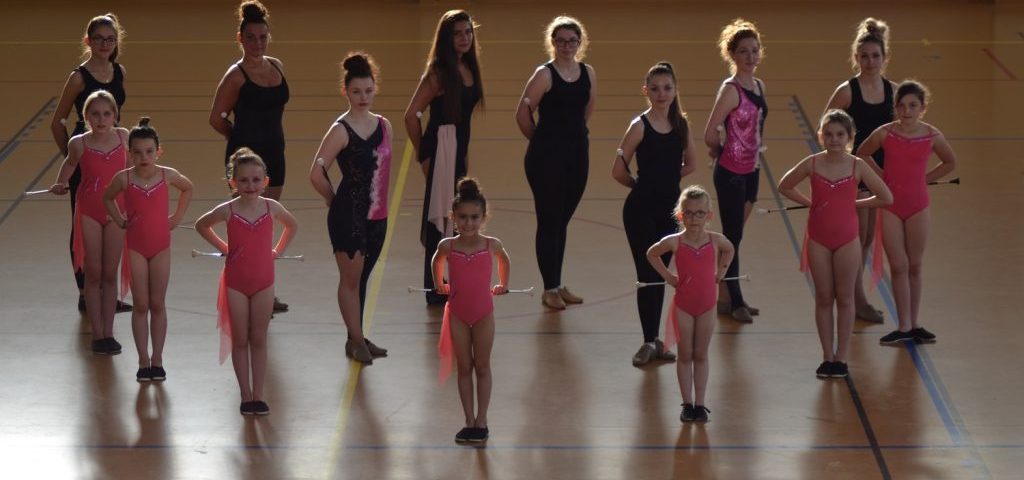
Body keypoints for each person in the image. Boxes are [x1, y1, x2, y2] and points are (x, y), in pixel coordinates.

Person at [777, 110, 891, 378]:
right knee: (824, 297)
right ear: (821, 136)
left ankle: (841, 357)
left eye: (840, 134)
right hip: (818, 239)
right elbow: (785, 185)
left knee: (846, 297)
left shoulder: (857, 166)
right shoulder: (812, 163)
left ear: (849, 137)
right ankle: (827, 356)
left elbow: (886, 197)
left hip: (847, 240)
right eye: (828, 134)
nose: (834, 139)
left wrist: (855, 203)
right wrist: (809, 202)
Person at [194, 148, 298, 416]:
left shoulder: (271, 207)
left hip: (264, 282)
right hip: (236, 283)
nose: (250, 185)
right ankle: (245, 395)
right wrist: (224, 247)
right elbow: (201, 224)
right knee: (240, 340)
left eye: (255, 180)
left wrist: (277, 251)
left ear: (265, 181)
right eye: (243, 180)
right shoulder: (228, 210)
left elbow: (292, 225)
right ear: (233, 183)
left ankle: (259, 395)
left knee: (259, 339)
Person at [856, 81, 956, 345]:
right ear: (895, 107)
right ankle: (903, 326)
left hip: (918, 206)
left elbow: (950, 161)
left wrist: (925, 179)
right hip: (890, 206)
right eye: (901, 105)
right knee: (899, 266)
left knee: (915, 265)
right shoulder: (884, 133)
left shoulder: (932, 135)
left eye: (913, 105)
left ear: (923, 108)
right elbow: (862, 154)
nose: (906, 110)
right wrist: (881, 178)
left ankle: (915, 323)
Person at [611, 62, 697, 366]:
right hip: (640, 211)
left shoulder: (681, 126)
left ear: (675, 90)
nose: (662, 94)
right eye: (655, 88)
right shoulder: (639, 126)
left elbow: (691, 164)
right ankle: (648, 341)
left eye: (667, 88)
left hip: (670, 213)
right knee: (647, 274)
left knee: (660, 274)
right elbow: (617, 169)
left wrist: (667, 179)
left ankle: (655, 341)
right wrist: (641, 185)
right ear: (646, 91)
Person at [309, 52, 392, 364]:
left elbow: (383, 172)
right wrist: (334, 201)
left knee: (363, 278)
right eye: (356, 91)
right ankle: (356, 341)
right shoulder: (340, 130)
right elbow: (316, 173)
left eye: (368, 90)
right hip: (349, 216)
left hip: (377, 216)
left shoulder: (384, 126)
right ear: (345, 91)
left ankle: (356, 337)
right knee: (350, 280)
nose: (363, 97)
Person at [209, 1, 290, 313]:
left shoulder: (277, 66)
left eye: (263, 37)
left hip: (275, 156)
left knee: (266, 224)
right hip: (244, 162)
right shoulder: (236, 76)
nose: (258, 43)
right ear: (240, 38)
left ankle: (265, 290)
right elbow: (216, 118)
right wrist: (239, 139)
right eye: (251, 37)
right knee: (243, 229)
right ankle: (239, 289)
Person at [50, 13, 131, 314]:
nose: (104, 44)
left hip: (112, 155)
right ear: (88, 41)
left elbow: (115, 114)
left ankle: (106, 290)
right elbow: (57, 122)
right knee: (83, 225)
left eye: (110, 39)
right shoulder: (78, 77)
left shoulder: (119, 71)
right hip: (87, 155)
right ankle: (85, 292)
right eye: (98, 39)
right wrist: (75, 159)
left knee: (112, 219)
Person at [103, 117, 194, 381]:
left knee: (157, 303)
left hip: (161, 247)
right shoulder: (124, 178)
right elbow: (107, 197)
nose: (144, 157)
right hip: (136, 248)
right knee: (141, 304)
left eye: (149, 151)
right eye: (138, 152)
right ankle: (143, 360)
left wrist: (177, 217)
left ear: (158, 151)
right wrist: (120, 219)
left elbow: (188, 187)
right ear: (129, 153)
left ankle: (158, 359)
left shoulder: (167, 175)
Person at [516, 15, 596, 310]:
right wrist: (542, 142)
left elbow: (587, 110)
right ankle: (549, 288)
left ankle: (557, 282)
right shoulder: (544, 75)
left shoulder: (588, 72)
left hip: (577, 156)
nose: (566, 46)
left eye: (572, 40)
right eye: (561, 40)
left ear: (579, 42)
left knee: (561, 221)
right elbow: (522, 114)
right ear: (553, 42)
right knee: (549, 221)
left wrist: (572, 140)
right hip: (546, 160)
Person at [404, 10, 484, 306]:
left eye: (468, 32)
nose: (464, 38)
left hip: (458, 149)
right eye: (457, 33)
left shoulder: (469, 67)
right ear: (446, 39)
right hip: (441, 149)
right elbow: (411, 115)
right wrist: (424, 154)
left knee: (456, 214)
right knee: (440, 218)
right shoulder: (438, 73)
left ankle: (453, 281)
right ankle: (436, 288)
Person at [823, 17, 897, 324]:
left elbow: (899, 133)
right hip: (852, 175)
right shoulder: (847, 91)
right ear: (856, 57)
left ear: (884, 57)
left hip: (878, 175)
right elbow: (826, 128)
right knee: (856, 238)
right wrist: (838, 165)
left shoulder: (893, 91)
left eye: (875, 56)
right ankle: (855, 299)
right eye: (864, 56)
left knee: (865, 239)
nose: (870, 61)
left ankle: (852, 296)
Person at [49, 90, 129, 355]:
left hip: (117, 211)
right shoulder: (79, 143)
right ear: (86, 117)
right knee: (93, 273)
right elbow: (70, 164)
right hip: (89, 211)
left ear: (115, 116)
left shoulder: (124, 137)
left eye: (107, 114)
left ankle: (109, 332)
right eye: (95, 114)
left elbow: (133, 171)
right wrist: (60, 183)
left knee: (110, 273)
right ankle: (97, 334)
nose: (101, 119)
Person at [432, 178, 510, 443]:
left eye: (474, 217)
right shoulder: (448, 246)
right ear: (453, 217)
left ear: (483, 217)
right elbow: (437, 261)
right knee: (464, 368)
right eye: (463, 217)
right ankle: (468, 420)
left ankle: (482, 420)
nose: (468, 223)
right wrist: (439, 283)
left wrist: (502, 284)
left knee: (483, 366)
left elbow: (504, 260)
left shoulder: (491, 245)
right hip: (458, 315)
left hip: (483, 315)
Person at [646, 186, 734, 423]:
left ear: (709, 215)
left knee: (701, 354)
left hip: (707, 306)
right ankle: (687, 404)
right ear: (680, 215)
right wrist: (668, 277)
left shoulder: (715, 240)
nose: (694, 218)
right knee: (685, 354)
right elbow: (652, 253)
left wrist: (721, 272)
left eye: (700, 213)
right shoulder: (675, 242)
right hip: (684, 306)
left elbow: (729, 249)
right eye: (689, 213)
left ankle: (700, 404)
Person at [703, 18, 766, 323]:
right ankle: (736, 300)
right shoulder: (731, 91)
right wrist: (722, 152)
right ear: (732, 55)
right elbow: (709, 133)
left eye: (754, 50)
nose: (750, 56)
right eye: (743, 51)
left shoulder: (759, 85)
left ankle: (724, 297)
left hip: (752, 170)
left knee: (735, 237)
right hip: (730, 173)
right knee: (732, 236)